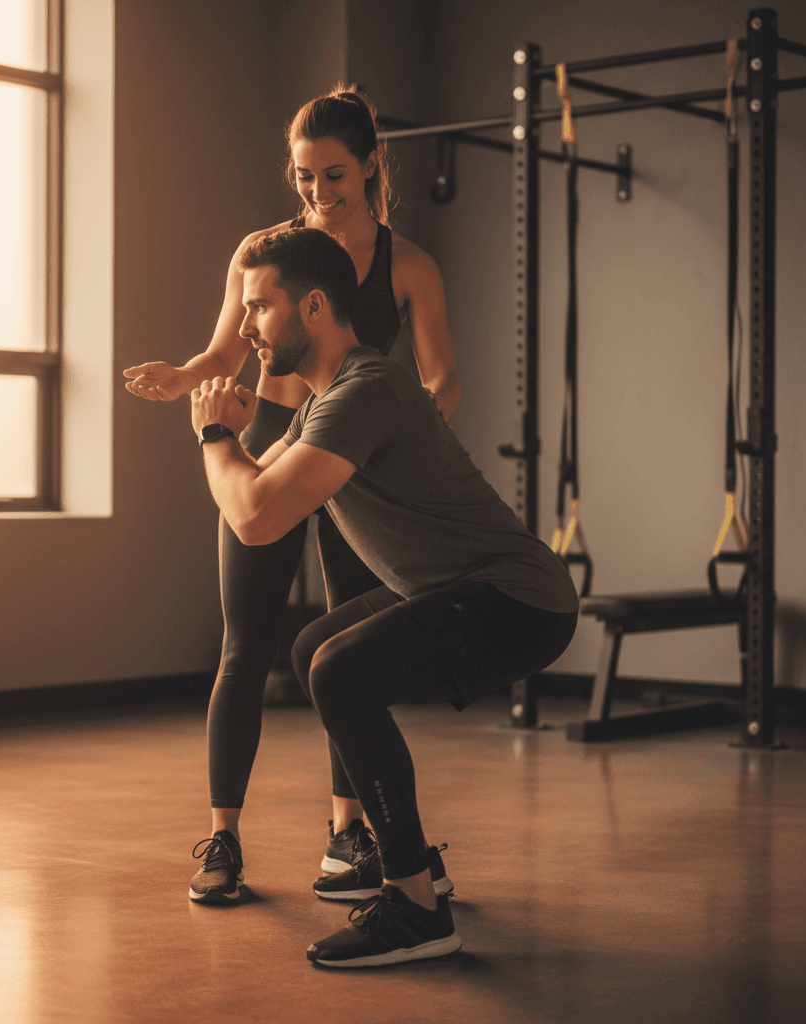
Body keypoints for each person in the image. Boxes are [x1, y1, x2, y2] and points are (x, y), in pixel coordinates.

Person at [190, 226, 579, 967]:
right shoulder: (320, 404)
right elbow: (246, 504)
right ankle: (414, 864)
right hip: (465, 591)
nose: (244, 329)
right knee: (315, 649)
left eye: (258, 309)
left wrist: (215, 432)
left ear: (311, 308)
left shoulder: (366, 391)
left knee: (341, 671)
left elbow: (255, 513)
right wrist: (227, 446)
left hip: (517, 603)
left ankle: (414, 906)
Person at [123, 87, 461, 904]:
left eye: (335, 174)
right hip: (275, 451)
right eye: (304, 176)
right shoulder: (264, 252)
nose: (317, 193)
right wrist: (183, 379)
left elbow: (442, 378)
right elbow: (224, 357)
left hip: (349, 472)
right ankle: (224, 840)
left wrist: (397, 428)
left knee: (347, 657)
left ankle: (347, 835)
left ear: (373, 164)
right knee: (246, 648)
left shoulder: (406, 266)